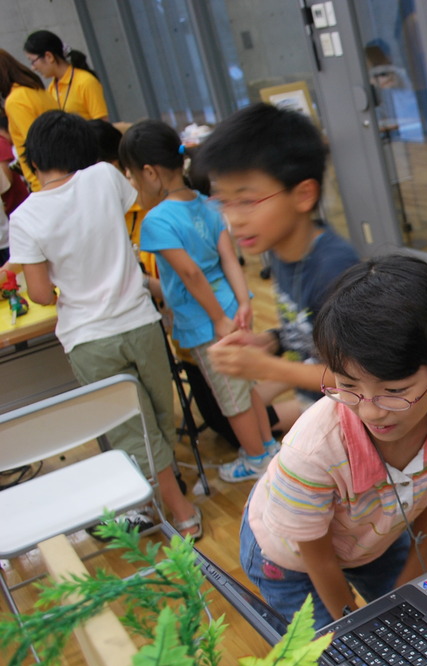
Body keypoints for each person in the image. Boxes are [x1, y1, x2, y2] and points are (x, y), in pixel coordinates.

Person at [239, 256, 427, 628]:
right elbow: (319, 560)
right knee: (332, 656)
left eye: (394, 391)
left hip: (374, 538)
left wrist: (409, 586)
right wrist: (353, 628)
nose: (370, 412)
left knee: (424, 618)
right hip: (291, 561)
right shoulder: (313, 452)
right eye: (347, 385)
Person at [7, 110, 202, 538]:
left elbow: (41, 295)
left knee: (133, 428)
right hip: (141, 322)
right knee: (157, 416)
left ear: (33, 160)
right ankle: (155, 499)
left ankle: (179, 510)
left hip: (90, 338)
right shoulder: (104, 177)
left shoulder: (25, 217)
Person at [119, 119, 278, 483]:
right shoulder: (207, 204)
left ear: (150, 172)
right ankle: (268, 447)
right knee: (246, 385)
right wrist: (243, 302)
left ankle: (256, 460)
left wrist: (218, 320)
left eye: (132, 176)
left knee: (231, 398)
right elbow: (229, 258)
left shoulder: (156, 220)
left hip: (207, 320)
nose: (133, 184)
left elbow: (191, 274)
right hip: (232, 306)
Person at [192, 102, 359, 436]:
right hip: (320, 407)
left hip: (357, 421)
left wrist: (268, 367)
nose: (233, 219)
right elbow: (310, 330)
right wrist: (271, 341)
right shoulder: (284, 251)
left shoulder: (334, 269)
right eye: (223, 202)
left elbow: (359, 379)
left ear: (303, 195)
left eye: (247, 201)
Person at [23, 30, 108, 121]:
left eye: (33, 61)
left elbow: (102, 123)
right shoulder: (52, 88)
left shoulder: (85, 82)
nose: (33, 68)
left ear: (49, 56)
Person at [0, 49, 54, 190]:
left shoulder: (15, 100)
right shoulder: (33, 89)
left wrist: (40, 189)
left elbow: (34, 147)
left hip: (45, 182)